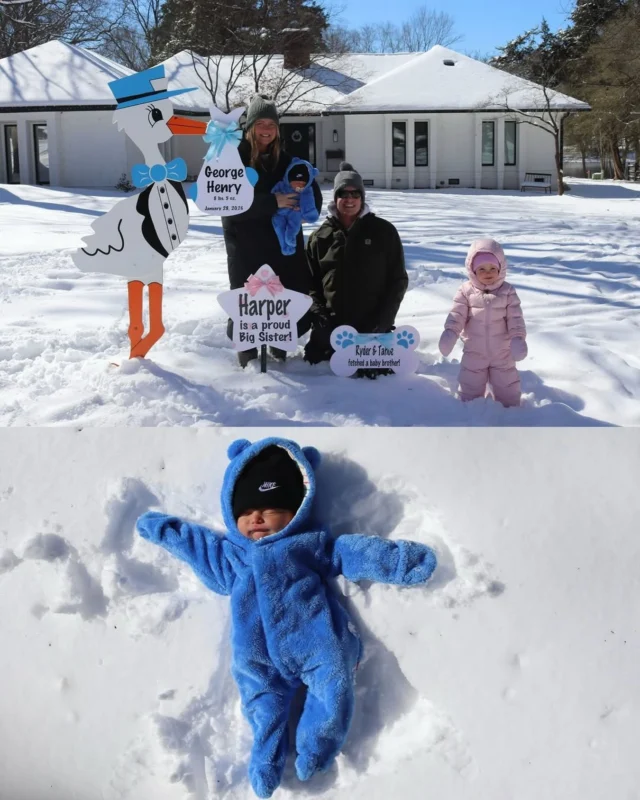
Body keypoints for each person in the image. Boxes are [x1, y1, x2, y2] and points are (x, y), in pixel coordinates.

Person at [137, 436, 437, 799]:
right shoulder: (234, 557)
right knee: (263, 707)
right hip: (257, 656)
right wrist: (165, 530)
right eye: (246, 511)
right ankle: (266, 760)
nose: (256, 517)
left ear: (296, 509)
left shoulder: (308, 545)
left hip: (316, 642)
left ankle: (317, 747)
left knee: (333, 686)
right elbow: (199, 546)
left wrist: (398, 560)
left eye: (270, 507)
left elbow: (352, 552)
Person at [222, 96, 322, 368]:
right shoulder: (232, 160)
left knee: (287, 303)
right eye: (260, 123)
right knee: (248, 307)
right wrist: (272, 202)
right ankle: (248, 361)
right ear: (249, 127)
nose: (266, 129)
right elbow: (229, 206)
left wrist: (303, 206)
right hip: (246, 248)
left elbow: (312, 194)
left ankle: (280, 354)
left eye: (271, 124)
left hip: (283, 250)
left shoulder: (289, 161)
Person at [303, 162, 408, 378]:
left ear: (362, 197)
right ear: (335, 198)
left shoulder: (383, 232)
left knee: (378, 382)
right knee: (319, 375)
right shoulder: (320, 237)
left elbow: (397, 280)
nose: (349, 199)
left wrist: (383, 320)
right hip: (331, 330)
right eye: (343, 193)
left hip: (372, 330)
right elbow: (309, 283)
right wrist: (320, 317)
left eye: (355, 194)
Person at [438, 237, 527, 408]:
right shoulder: (465, 291)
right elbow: (457, 314)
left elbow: (515, 317)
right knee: (470, 382)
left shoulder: (507, 291)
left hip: (502, 352)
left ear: (501, 268)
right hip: (474, 350)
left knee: (506, 383)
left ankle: (511, 411)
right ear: (472, 270)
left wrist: (518, 337)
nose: (488, 273)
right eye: (482, 269)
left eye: (493, 268)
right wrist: (451, 332)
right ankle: (469, 408)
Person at [271, 158, 320, 256]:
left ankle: (291, 238)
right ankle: (285, 246)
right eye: (297, 183)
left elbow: (309, 202)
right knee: (278, 227)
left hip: (295, 211)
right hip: (280, 212)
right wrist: (273, 200)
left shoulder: (306, 191)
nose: (299, 186)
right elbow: (273, 193)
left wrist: (305, 212)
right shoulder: (281, 185)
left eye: (303, 184)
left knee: (294, 225)